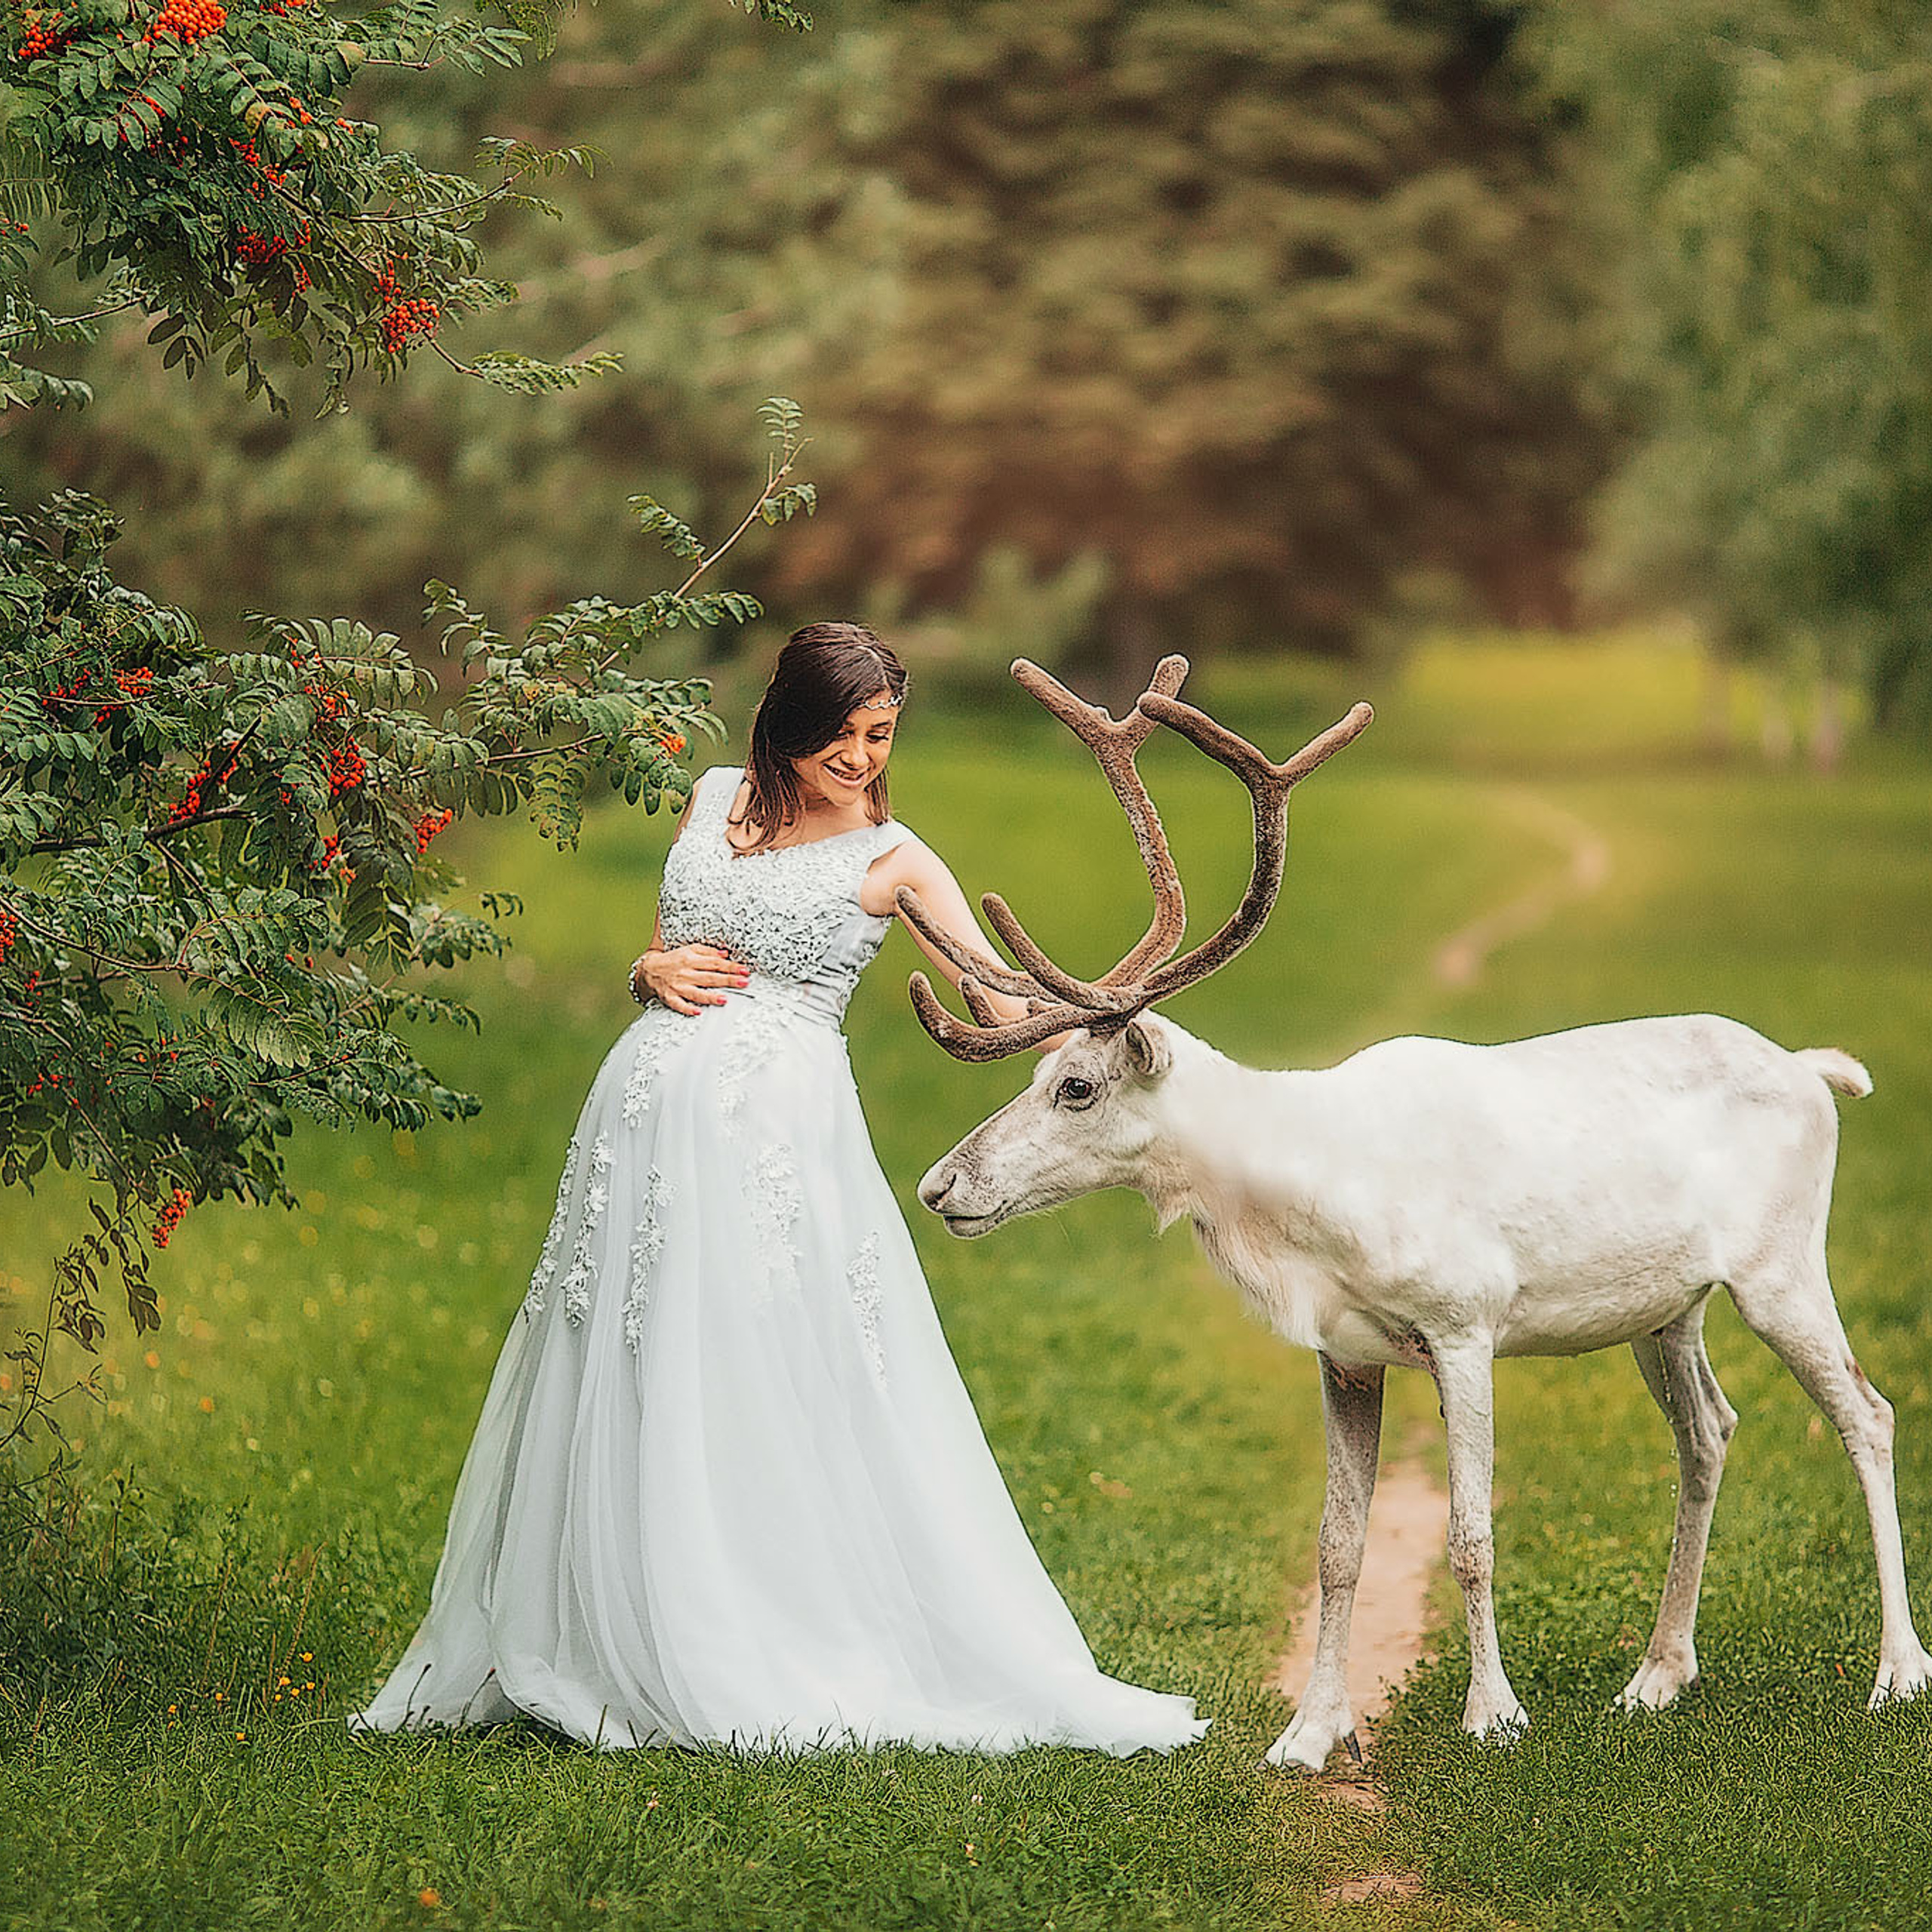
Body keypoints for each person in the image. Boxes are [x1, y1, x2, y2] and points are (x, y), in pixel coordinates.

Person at [348, 621, 1207, 1756]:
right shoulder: (710, 798)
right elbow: (667, 947)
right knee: (621, 1351)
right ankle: (603, 1631)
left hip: (775, 1139)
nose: (861, 756)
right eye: (841, 735)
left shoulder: (896, 857)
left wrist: (1110, 1018)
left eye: (880, 735)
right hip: (641, 1123)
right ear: (786, 723)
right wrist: (644, 969)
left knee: (751, 1356)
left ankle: (750, 1629)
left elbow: (1005, 1004)